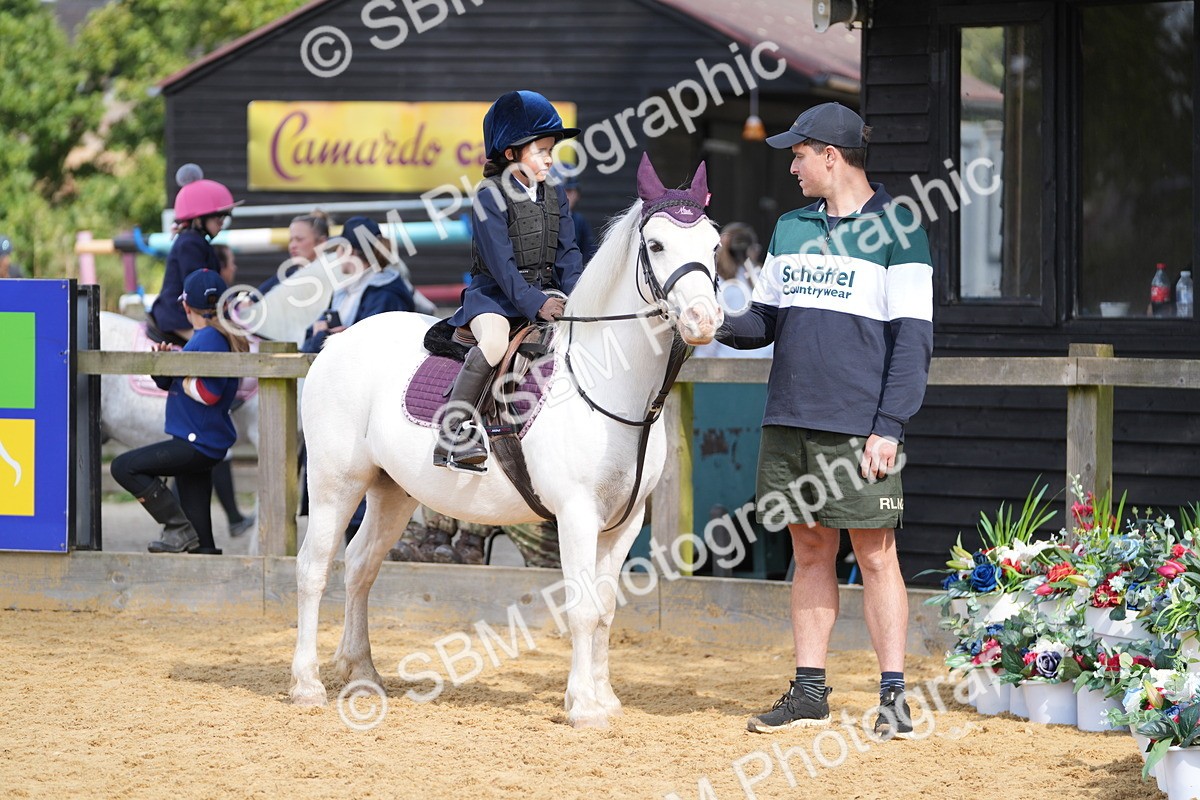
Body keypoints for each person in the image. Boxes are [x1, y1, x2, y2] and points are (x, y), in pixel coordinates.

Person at [716, 103, 933, 738]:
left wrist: (889, 426)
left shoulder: (900, 227)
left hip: (860, 424)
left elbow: (913, 340)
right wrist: (712, 319)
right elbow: (766, 321)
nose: (792, 166)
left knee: (876, 553)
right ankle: (809, 691)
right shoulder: (790, 227)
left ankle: (893, 697)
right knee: (809, 549)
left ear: (830, 157)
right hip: (789, 417)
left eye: (799, 154)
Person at [434, 90, 584, 471]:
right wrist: (536, 304)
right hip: (494, 299)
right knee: (497, 342)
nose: (550, 158)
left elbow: (568, 253)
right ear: (511, 153)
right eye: (540, 150)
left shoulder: (555, 194)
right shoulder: (489, 195)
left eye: (552, 149)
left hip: (546, 294)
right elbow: (501, 266)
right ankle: (454, 430)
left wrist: (580, 296)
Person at [111, 269, 251, 554]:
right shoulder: (208, 337)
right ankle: (198, 553)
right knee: (202, 541)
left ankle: (176, 528)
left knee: (123, 467)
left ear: (186, 306)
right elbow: (178, 382)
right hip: (199, 440)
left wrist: (175, 368)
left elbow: (208, 393)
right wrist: (168, 364)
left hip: (195, 442)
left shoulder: (209, 338)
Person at [299, 215, 416, 540]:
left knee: (366, 504)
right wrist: (326, 334)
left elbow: (382, 346)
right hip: (344, 401)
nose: (337, 257)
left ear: (355, 250)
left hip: (376, 405)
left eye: (341, 249)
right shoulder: (346, 289)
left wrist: (335, 334)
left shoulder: (388, 289)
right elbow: (314, 339)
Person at [150, 167, 241, 343]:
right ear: (199, 219)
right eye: (218, 218)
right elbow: (200, 285)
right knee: (219, 342)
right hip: (177, 317)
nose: (222, 223)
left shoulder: (198, 241)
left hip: (191, 314)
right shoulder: (190, 243)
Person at [693, 222, 771, 359]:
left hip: (726, 364)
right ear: (751, 250)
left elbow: (709, 335)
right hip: (764, 363)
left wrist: (700, 362)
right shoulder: (764, 278)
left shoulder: (716, 284)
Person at [258, 210, 332, 295]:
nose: (293, 246)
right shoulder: (286, 277)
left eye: (299, 239)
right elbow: (252, 299)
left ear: (321, 242)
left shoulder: (334, 274)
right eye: (291, 240)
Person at [552, 168, 597, 263]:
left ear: (577, 194)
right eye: (562, 190)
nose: (566, 196)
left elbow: (589, 252)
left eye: (570, 191)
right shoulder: (542, 219)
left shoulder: (580, 221)